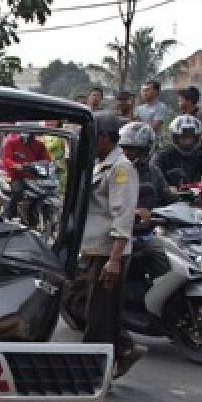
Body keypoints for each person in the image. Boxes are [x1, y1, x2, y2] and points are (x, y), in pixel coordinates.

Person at [81, 111, 145, 378]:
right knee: (94, 309)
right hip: (94, 249)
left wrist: (115, 259)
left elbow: (123, 215)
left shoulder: (120, 168)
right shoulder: (101, 164)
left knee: (99, 318)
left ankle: (93, 373)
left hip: (108, 252)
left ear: (105, 138)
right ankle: (124, 348)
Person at [119, 122, 175, 212]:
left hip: (150, 223)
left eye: (131, 149)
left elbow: (168, 199)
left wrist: (181, 198)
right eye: (123, 148)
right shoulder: (110, 170)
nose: (126, 153)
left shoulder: (153, 171)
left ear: (145, 150)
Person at [0, 130, 51, 218]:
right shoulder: (11, 143)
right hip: (17, 176)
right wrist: (15, 165)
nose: (30, 137)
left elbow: (47, 159)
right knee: (18, 191)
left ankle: (34, 213)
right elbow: (7, 159)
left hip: (35, 175)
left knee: (45, 191)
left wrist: (50, 165)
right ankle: (10, 216)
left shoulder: (40, 145)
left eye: (32, 134)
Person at [152, 114, 202, 186]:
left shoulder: (200, 156)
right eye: (183, 138)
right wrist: (165, 185)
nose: (187, 142)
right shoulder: (162, 155)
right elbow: (152, 176)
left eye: (190, 138)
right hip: (165, 195)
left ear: (196, 138)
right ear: (175, 137)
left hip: (195, 195)